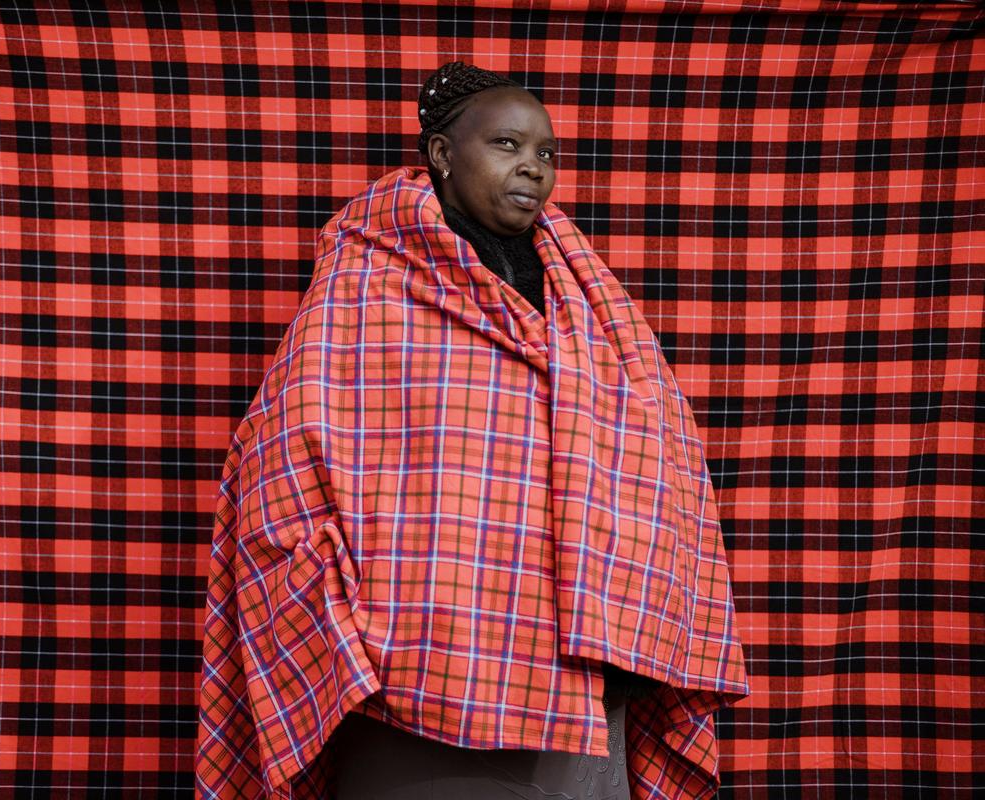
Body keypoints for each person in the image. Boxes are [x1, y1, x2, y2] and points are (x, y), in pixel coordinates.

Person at [195, 62, 748, 800]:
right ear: (443, 155)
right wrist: (340, 628)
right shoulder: (368, 286)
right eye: (508, 144)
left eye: (546, 153)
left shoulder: (588, 302)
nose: (533, 167)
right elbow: (281, 468)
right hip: (418, 673)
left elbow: (660, 454)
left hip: (588, 662)